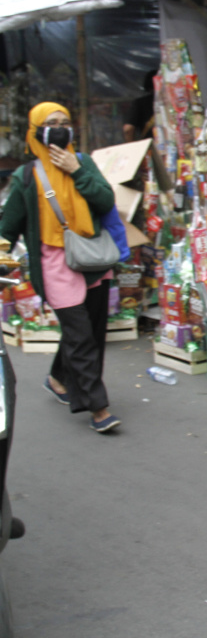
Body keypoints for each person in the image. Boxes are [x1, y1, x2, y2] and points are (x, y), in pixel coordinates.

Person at [0, 103, 122, 433]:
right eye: (51, 123)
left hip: (91, 259)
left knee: (91, 334)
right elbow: (7, 228)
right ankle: (98, 408)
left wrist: (77, 171)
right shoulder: (27, 175)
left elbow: (105, 201)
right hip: (54, 267)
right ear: (36, 130)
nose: (59, 128)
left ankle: (58, 377)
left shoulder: (83, 162)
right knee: (81, 336)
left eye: (65, 122)